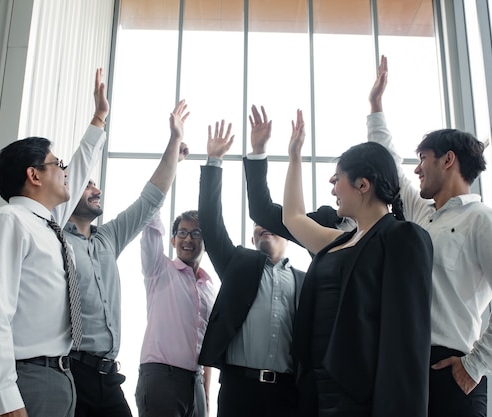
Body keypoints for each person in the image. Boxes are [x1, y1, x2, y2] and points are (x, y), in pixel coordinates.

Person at [368, 55, 492, 417]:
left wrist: (474, 365)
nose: (417, 168)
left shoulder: (486, 221)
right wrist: (376, 107)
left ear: (447, 160)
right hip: (404, 368)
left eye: (423, 158)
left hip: (451, 371)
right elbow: (390, 168)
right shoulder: (422, 217)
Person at [0, 68, 109, 417]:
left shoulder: (48, 225)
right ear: (33, 175)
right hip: (24, 379)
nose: (65, 170)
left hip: (59, 376)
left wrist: (98, 119)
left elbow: (76, 174)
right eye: (56, 164)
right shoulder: (8, 221)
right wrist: (6, 398)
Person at [283, 110, 433, 416]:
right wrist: (295, 155)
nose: (333, 188)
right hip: (316, 393)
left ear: (363, 185)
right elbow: (293, 217)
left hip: (359, 400)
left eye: (338, 180)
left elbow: (406, 344)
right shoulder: (338, 240)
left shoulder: (402, 237)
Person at [64, 101, 191, 417]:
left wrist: (174, 142)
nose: (97, 189)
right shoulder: (52, 240)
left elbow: (150, 199)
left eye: (96, 183)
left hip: (107, 376)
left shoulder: (107, 237)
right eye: (88, 184)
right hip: (71, 371)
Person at [197, 120, 305, 417]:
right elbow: (210, 220)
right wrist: (215, 161)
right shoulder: (237, 266)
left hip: (287, 394)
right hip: (238, 391)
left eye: (272, 223)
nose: (264, 227)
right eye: (259, 225)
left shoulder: (307, 281)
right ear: (252, 237)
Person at [136, 201, 217, 415]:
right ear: (172, 240)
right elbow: (151, 220)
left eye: (196, 233)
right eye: (182, 232)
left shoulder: (209, 289)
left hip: (196, 382)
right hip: (162, 379)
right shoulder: (159, 269)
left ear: (206, 241)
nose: (188, 238)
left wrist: (206, 396)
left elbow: (207, 344)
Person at [243, 104, 356, 249]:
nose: (332, 188)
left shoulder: (388, 232)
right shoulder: (325, 221)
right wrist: (260, 151)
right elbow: (262, 212)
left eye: (337, 177)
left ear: (362, 185)